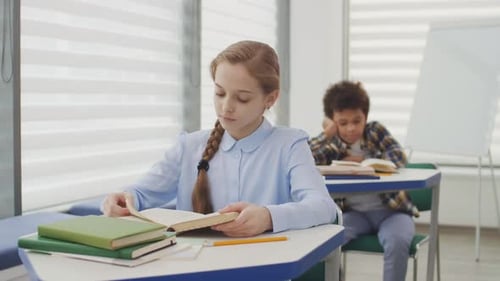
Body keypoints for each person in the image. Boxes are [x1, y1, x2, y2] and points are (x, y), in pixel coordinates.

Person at [101, 40, 336, 237]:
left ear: (270, 99)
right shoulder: (189, 146)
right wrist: (123, 199)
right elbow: (141, 194)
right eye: (219, 93)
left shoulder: (289, 144)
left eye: (242, 98)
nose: (226, 107)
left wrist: (267, 217)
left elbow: (324, 207)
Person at [309, 80, 418, 281]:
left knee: (397, 242)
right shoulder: (331, 140)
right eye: (343, 123)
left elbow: (398, 156)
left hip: (392, 212)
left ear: (365, 117)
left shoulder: (375, 131)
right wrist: (328, 135)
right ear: (333, 121)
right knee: (324, 241)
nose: (351, 128)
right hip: (353, 214)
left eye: (357, 121)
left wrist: (367, 161)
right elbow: (307, 159)